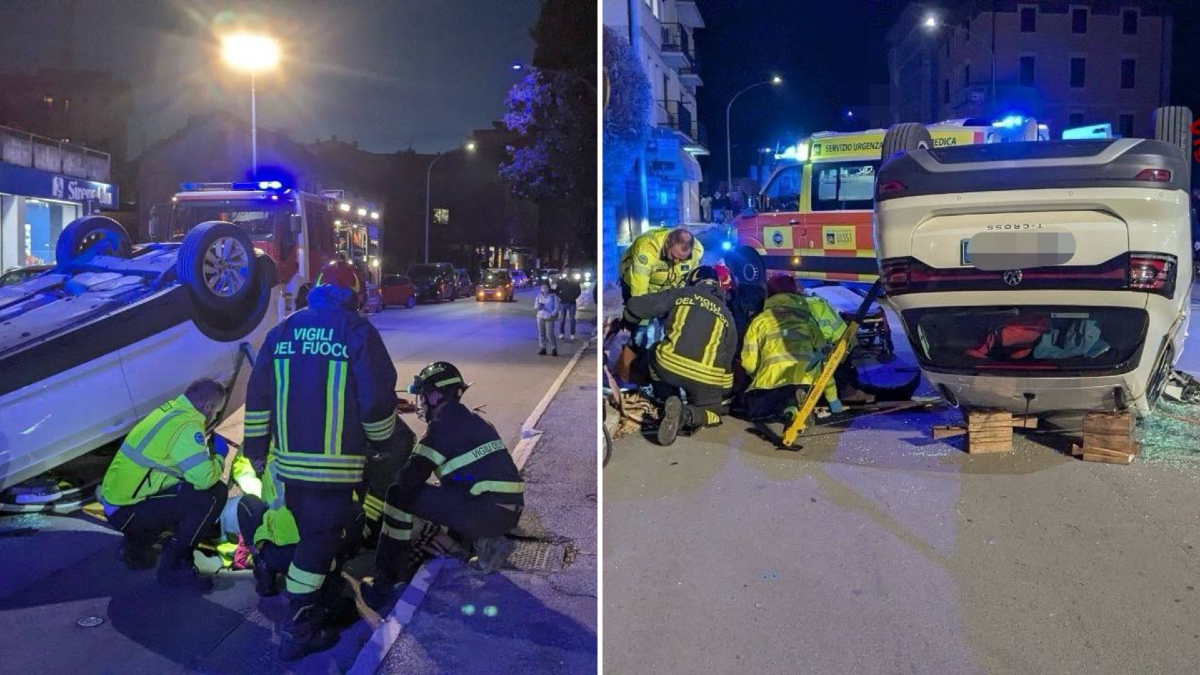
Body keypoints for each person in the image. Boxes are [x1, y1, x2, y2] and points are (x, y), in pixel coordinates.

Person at [242, 259, 399, 662]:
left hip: (290, 469)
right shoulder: (357, 331)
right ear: (354, 294)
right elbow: (377, 400)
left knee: (316, 534)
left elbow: (257, 401)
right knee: (321, 541)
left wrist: (256, 452)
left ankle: (315, 595)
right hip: (337, 470)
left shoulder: (282, 332)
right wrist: (382, 443)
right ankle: (299, 625)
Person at [365, 361, 523, 605]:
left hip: (488, 513)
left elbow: (406, 481)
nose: (421, 403)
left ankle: (385, 582)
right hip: (505, 510)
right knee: (437, 493)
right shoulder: (472, 420)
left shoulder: (442, 427)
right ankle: (485, 543)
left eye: (423, 396)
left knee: (398, 497)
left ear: (436, 394)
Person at [99, 378, 241, 591]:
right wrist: (219, 456)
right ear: (208, 406)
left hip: (116, 502)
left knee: (187, 492)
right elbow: (204, 479)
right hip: (129, 512)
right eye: (215, 411)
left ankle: (136, 546)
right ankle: (175, 567)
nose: (212, 417)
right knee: (213, 494)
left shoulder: (169, 411)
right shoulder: (187, 426)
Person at [623, 266, 737, 446]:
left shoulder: (682, 294)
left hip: (669, 366)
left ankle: (667, 397)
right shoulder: (728, 316)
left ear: (693, 280)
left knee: (654, 352)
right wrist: (721, 395)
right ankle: (685, 416)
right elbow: (728, 362)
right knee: (714, 413)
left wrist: (628, 319)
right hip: (705, 379)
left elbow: (638, 306)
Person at [618, 227, 705, 301]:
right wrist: (642, 315)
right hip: (636, 282)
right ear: (667, 243)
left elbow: (690, 279)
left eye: (683, 259)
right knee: (636, 313)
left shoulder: (696, 251)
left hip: (668, 288)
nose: (676, 261)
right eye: (673, 256)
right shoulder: (647, 248)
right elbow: (639, 288)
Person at [535, 280, 560, 356]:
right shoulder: (539, 296)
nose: (544, 289)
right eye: (542, 288)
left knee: (550, 334)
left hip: (549, 317)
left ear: (548, 288)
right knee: (541, 333)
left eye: (545, 287)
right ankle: (543, 348)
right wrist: (538, 307)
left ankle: (554, 348)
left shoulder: (553, 296)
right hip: (540, 316)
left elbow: (557, 307)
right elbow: (535, 306)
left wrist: (552, 314)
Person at [557, 268, 582, 341]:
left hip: (572, 303)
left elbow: (578, 291)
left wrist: (574, 297)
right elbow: (557, 290)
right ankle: (561, 333)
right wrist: (560, 296)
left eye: (568, 272)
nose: (567, 273)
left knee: (572, 319)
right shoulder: (561, 281)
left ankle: (572, 334)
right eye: (566, 272)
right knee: (562, 319)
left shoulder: (575, 282)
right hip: (563, 302)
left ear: (571, 273)